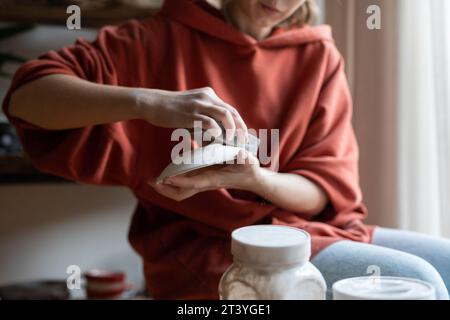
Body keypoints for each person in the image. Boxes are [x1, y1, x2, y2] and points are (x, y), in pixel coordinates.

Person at [3, 0, 449, 299]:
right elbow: (27, 97)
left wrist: (255, 178)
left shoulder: (317, 56)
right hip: (210, 250)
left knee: (445, 264)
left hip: (304, 231)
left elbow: (322, 189)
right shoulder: (154, 40)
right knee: (420, 281)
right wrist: (151, 102)